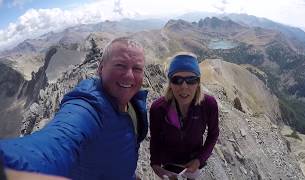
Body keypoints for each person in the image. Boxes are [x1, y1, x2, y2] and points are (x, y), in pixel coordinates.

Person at [0, 37, 148, 180]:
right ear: (100, 69)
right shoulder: (88, 105)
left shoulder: (135, 103)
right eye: (120, 65)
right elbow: (60, 139)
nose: (129, 76)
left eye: (137, 69)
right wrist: (8, 167)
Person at [149, 53, 219, 180]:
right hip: (169, 165)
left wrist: (199, 160)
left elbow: (213, 134)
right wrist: (155, 164)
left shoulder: (209, 104)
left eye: (191, 80)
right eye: (177, 80)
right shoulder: (158, 108)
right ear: (170, 83)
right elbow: (155, 139)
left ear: (198, 82)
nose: (184, 87)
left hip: (193, 164)